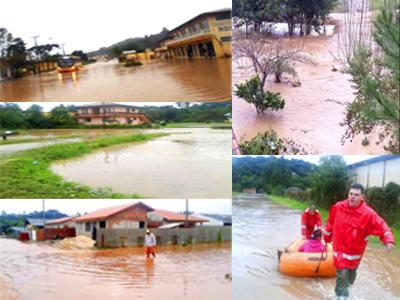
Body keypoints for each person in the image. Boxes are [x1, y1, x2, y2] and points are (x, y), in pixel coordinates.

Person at [323, 183, 396, 300]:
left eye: (356, 195)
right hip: (340, 252)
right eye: (350, 194)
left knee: (350, 278)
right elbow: (330, 223)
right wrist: (326, 237)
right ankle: (340, 297)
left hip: (355, 254)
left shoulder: (368, 214)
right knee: (342, 277)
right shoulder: (338, 207)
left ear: (362, 197)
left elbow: (382, 226)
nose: (352, 197)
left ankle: (346, 292)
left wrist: (389, 240)